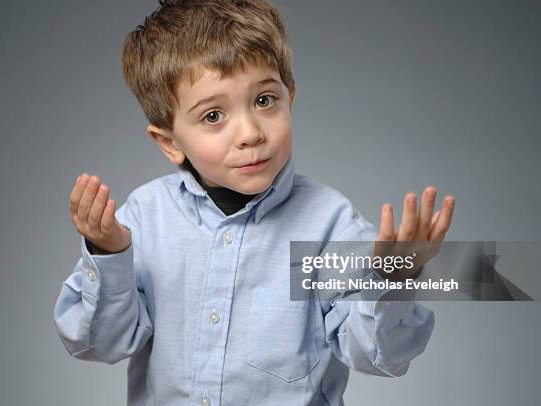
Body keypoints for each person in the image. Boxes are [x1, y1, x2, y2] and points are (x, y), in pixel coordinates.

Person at [53, 0, 455, 404]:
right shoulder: (144, 218)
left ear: (289, 98)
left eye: (264, 100)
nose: (250, 133)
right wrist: (107, 253)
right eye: (213, 116)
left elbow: (380, 355)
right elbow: (97, 345)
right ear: (169, 142)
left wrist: (394, 278)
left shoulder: (331, 226)